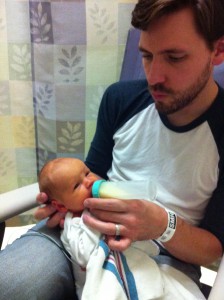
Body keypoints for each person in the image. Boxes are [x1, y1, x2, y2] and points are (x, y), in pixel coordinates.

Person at [0, 0, 224, 299]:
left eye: (174, 57)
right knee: (14, 284)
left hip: (168, 256)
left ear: (218, 51)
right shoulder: (120, 100)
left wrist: (161, 225)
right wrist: (66, 202)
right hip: (85, 231)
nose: (154, 76)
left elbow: (214, 246)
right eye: (146, 55)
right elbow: (93, 176)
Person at [38, 157, 162, 300]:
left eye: (86, 173)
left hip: (136, 272)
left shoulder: (109, 205)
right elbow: (83, 256)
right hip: (101, 287)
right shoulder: (73, 225)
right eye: (77, 185)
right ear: (60, 206)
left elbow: (137, 238)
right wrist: (98, 222)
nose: (89, 181)